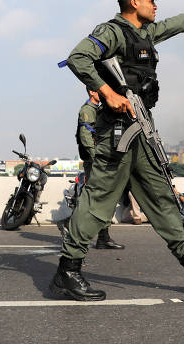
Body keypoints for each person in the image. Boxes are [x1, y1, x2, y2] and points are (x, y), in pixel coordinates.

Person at [50, 0, 184, 301]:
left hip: (141, 125)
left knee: (161, 195)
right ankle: (67, 272)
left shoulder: (146, 33)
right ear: (134, 2)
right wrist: (107, 92)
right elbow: (79, 57)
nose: (156, 4)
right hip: (116, 131)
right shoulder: (111, 31)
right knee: (98, 200)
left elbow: (174, 25)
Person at [63, 89, 124, 249]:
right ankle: (69, 224)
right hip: (95, 161)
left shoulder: (98, 109)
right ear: (91, 91)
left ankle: (103, 237)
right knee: (95, 197)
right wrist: (95, 157)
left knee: (105, 198)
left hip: (102, 160)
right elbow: (85, 135)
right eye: (99, 91)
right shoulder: (88, 110)